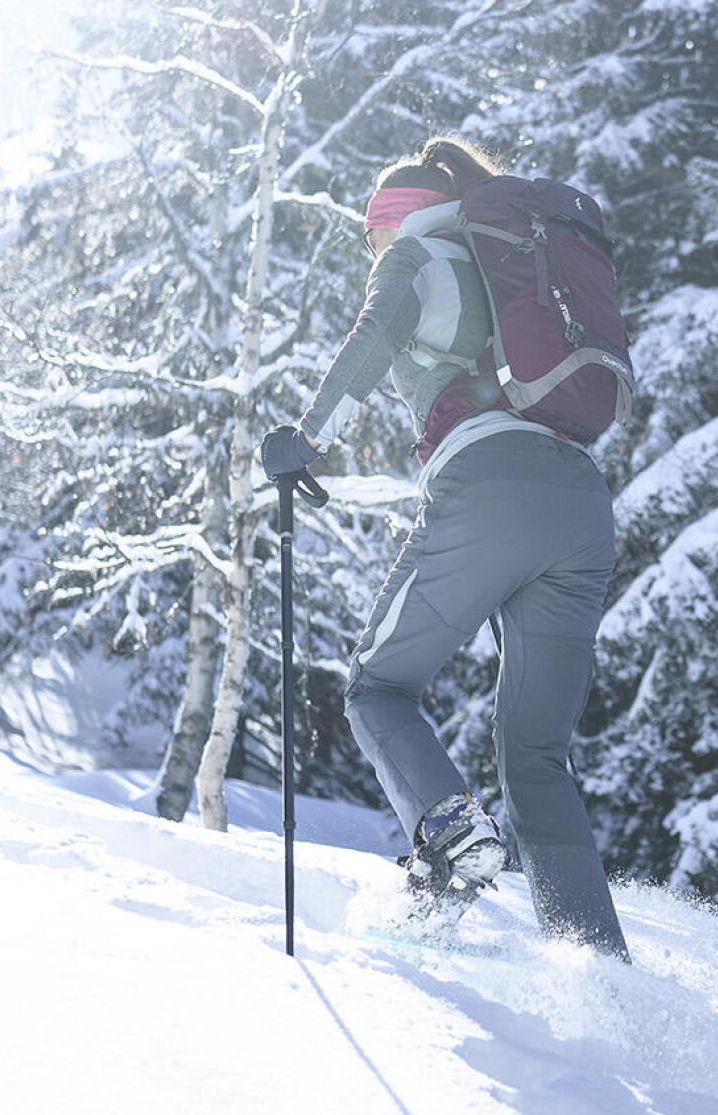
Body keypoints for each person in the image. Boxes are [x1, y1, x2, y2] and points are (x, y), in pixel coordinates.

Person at [260, 137, 629, 960]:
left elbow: (370, 342)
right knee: (537, 757)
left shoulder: (417, 254)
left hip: (490, 488)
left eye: (368, 234)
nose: (369, 249)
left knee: (377, 687)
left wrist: (304, 441)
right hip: (581, 502)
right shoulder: (521, 268)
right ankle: (597, 963)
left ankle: (452, 838)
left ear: (388, 219)